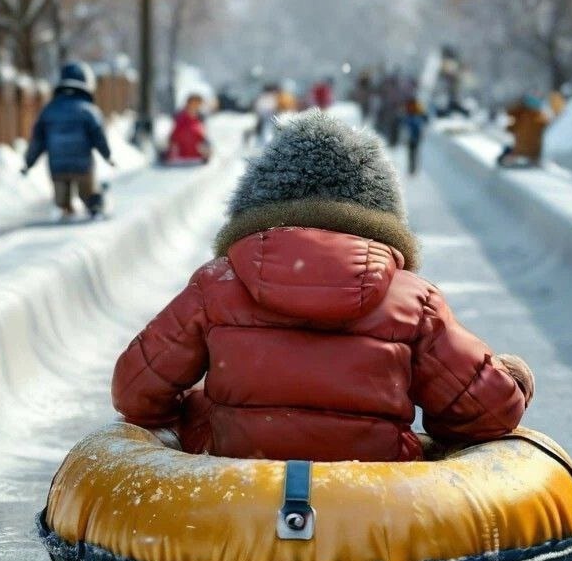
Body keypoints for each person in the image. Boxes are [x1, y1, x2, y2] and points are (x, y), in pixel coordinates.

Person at [110, 111, 534, 462]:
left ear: (257, 203)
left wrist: (197, 411)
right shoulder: (413, 300)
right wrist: (512, 379)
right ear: (381, 212)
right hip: (380, 507)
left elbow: (135, 392)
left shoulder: (216, 285)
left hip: (238, 494)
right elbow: (485, 412)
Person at [23, 61, 113, 218]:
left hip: (58, 167)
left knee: (61, 199)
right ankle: (93, 203)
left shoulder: (49, 110)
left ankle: (65, 207)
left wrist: (29, 162)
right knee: (88, 193)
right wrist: (107, 155)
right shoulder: (89, 111)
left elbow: (38, 140)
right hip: (83, 165)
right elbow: (98, 136)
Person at [499, 94, 550, 166]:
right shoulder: (540, 117)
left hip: (519, 151)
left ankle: (511, 160)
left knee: (506, 152)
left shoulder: (521, 117)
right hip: (534, 153)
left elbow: (509, 125)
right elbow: (548, 124)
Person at [165, 94, 211, 163]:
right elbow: (173, 136)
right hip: (180, 155)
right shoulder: (180, 117)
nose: (196, 107)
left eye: (198, 105)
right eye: (194, 104)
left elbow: (203, 137)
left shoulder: (200, 119)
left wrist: (206, 150)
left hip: (196, 155)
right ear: (188, 103)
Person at [401, 97, 428, 175]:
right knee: (413, 152)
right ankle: (412, 168)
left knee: (412, 152)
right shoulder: (416, 110)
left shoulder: (412, 111)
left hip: (413, 135)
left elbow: (405, 122)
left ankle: (412, 168)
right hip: (414, 135)